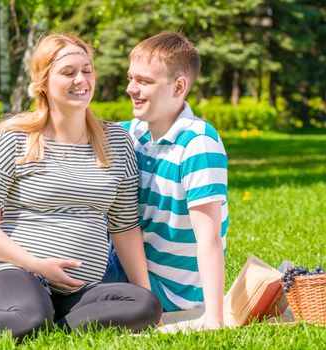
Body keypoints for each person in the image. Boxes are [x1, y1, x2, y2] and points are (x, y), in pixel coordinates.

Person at [0, 33, 161, 339]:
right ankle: (32, 319)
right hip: (13, 273)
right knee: (30, 318)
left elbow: (124, 226)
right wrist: (37, 265)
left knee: (146, 306)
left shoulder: (116, 142)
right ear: (43, 82)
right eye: (68, 73)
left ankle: (47, 324)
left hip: (77, 290)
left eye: (86, 70)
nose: (80, 80)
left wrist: (144, 294)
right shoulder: (15, 139)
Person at [104, 32, 229, 329]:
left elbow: (208, 238)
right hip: (131, 267)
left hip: (166, 290)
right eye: (130, 78)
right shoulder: (134, 132)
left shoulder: (197, 143)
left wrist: (213, 319)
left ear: (179, 86)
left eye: (144, 81)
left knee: (50, 282)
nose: (131, 89)